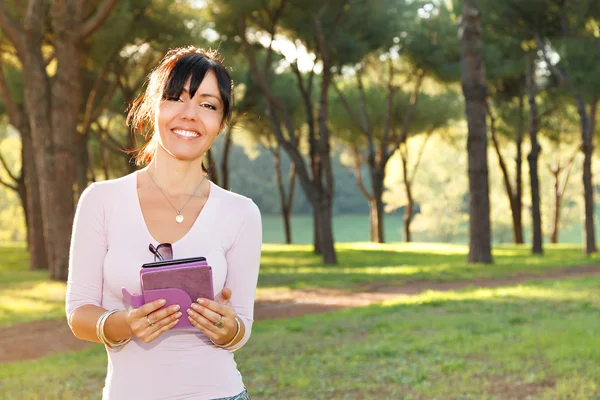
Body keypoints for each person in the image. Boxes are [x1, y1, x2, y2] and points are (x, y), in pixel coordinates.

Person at [66, 46, 262, 400]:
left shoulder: (241, 213)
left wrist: (226, 327)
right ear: (152, 106)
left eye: (207, 104)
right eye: (175, 98)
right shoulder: (101, 200)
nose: (190, 115)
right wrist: (124, 323)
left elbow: (242, 327)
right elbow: (79, 313)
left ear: (221, 121)